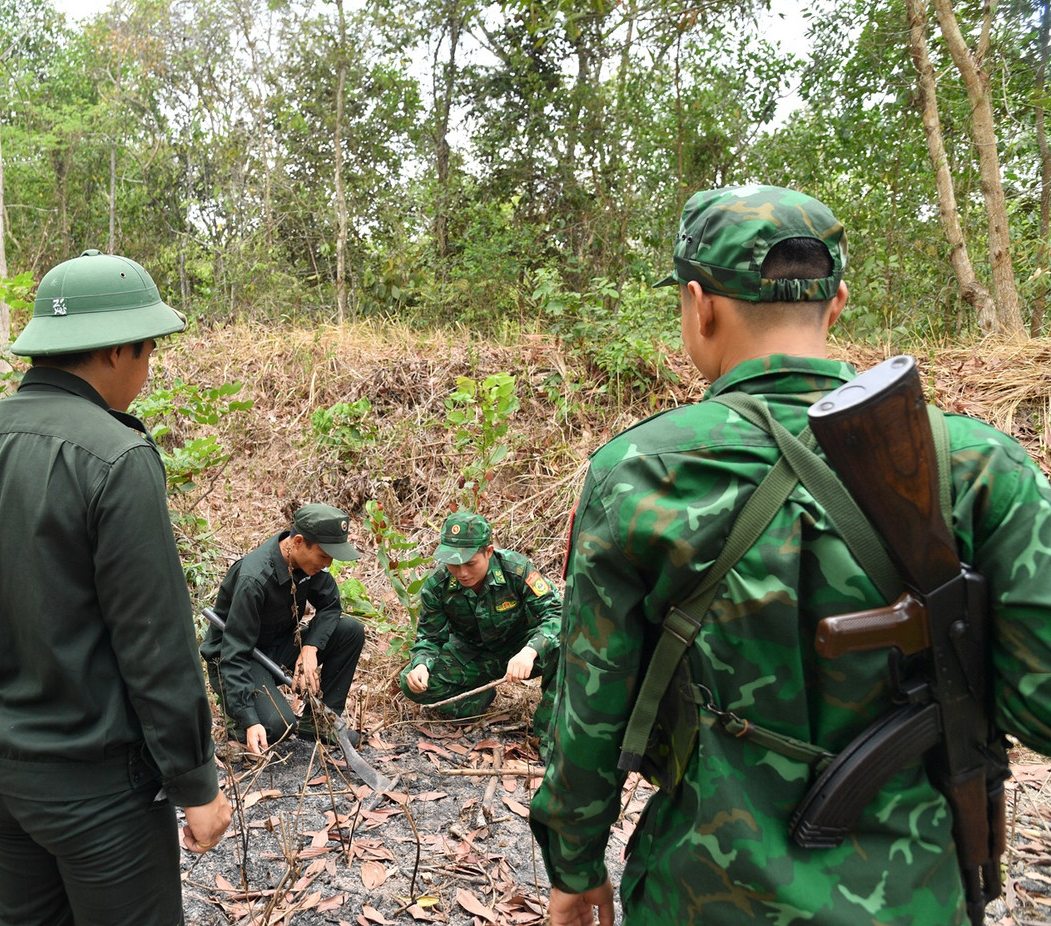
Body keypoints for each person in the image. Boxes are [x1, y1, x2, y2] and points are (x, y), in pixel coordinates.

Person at [528, 185, 1051, 925]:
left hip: (701, 896)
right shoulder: (978, 467)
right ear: (837, 303)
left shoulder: (638, 472)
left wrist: (575, 864)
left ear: (699, 305)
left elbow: (589, 709)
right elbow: (1042, 707)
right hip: (919, 896)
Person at [0, 249, 231, 926]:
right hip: (93, 788)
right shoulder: (116, 456)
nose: (147, 370)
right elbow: (154, 641)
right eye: (148, 351)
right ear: (116, 350)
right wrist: (196, 783)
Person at [201, 504, 366, 754]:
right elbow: (233, 655)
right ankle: (238, 723)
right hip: (237, 659)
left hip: (277, 649)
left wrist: (310, 648)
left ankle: (321, 723)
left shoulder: (308, 563)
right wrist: (249, 718)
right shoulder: (254, 580)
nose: (328, 564)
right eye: (324, 556)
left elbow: (331, 606)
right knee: (279, 726)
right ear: (298, 542)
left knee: (349, 631)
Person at [398, 512, 561, 751]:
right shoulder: (438, 585)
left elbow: (556, 615)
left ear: (489, 552)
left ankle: (549, 736)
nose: (462, 573)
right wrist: (421, 664)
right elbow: (430, 638)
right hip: (472, 656)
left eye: (470, 563)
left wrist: (530, 651)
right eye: (454, 564)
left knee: (565, 648)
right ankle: (478, 700)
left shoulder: (516, 570)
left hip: (521, 650)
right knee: (409, 681)